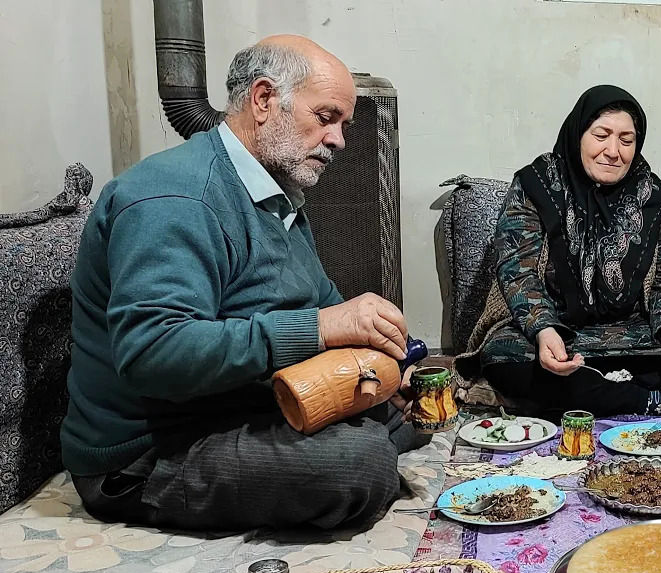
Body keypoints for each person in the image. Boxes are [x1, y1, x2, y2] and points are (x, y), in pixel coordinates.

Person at [62, 36, 420, 533]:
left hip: (233, 406)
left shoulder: (276, 194)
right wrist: (318, 329)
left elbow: (319, 303)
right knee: (357, 463)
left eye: (344, 124)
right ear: (264, 100)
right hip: (153, 451)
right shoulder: (176, 196)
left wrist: (374, 358)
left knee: (397, 410)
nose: (338, 139)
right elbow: (153, 352)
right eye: (326, 117)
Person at [455, 85, 661, 420]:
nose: (613, 151)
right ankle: (649, 400)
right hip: (556, 333)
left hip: (629, 333)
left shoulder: (652, 196)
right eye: (601, 135)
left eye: (626, 140)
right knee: (502, 357)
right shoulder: (535, 185)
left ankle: (571, 397)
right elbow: (517, 271)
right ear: (578, 134)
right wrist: (543, 330)